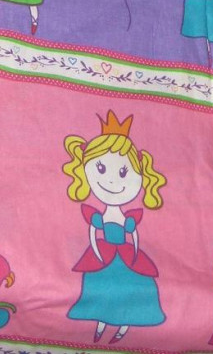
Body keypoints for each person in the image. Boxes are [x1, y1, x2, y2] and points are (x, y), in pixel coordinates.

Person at [63, 111, 167, 343]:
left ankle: (123, 327)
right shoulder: (98, 217)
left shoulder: (127, 217)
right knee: (98, 290)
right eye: (100, 169)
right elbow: (93, 234)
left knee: (134, 289)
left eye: (123, 173)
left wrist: (132, 241)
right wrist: (97, 246)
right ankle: (101, 324)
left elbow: (135, 238)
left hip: (126, 257)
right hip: (104, 254)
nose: (111, 180)